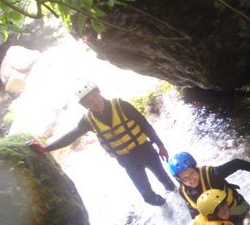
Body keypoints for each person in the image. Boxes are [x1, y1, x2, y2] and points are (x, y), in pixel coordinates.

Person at [27, 80, 176, 206]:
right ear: (86, 106)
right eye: (90, 102)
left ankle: (180, 201)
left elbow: (145, 125)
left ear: (100, 93)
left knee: (165, 180)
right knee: (148, 197)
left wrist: (160, 145)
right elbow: (70, 136)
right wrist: (46, 148)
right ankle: (167, 207)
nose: (95, 103)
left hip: (146, 151)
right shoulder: (88, 121)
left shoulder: (121, 105)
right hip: (127, 161)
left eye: (95, 97)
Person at [168, 151, 250, 225]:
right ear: (180, 180)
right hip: (218, 219)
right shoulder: (183, 192)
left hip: (238, 208)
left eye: (192, 173)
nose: (191, 180)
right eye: (185, 178)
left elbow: (237, 163)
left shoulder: (212, 174)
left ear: (196, 169)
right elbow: (194, 212)